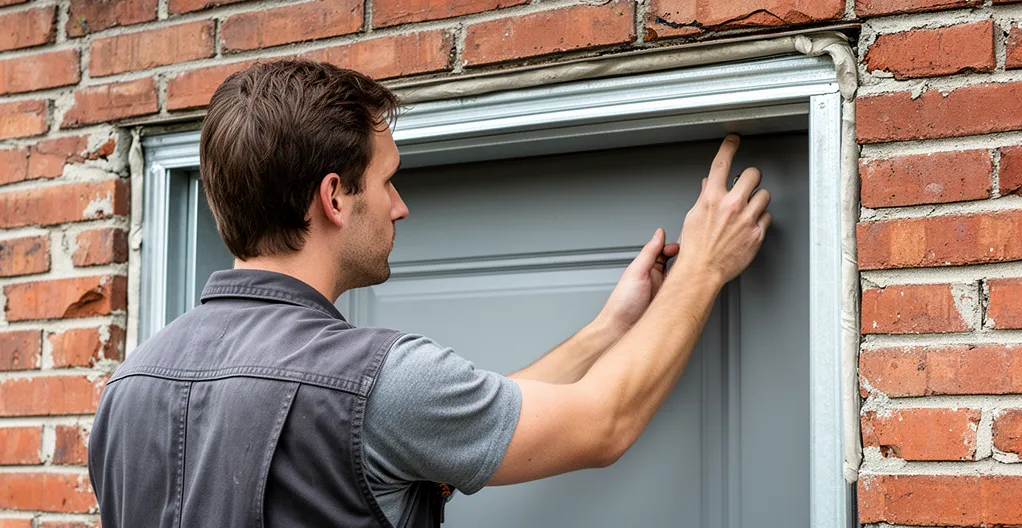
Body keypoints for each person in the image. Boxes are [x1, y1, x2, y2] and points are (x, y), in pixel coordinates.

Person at [87, 60, 771, 528]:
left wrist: (606, 329)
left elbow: (452, 424)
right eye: (387, 181)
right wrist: (704, 265)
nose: (401, 206)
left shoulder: (126, 393)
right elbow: (601, 423)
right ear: (333, 197)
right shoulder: (377, 383)